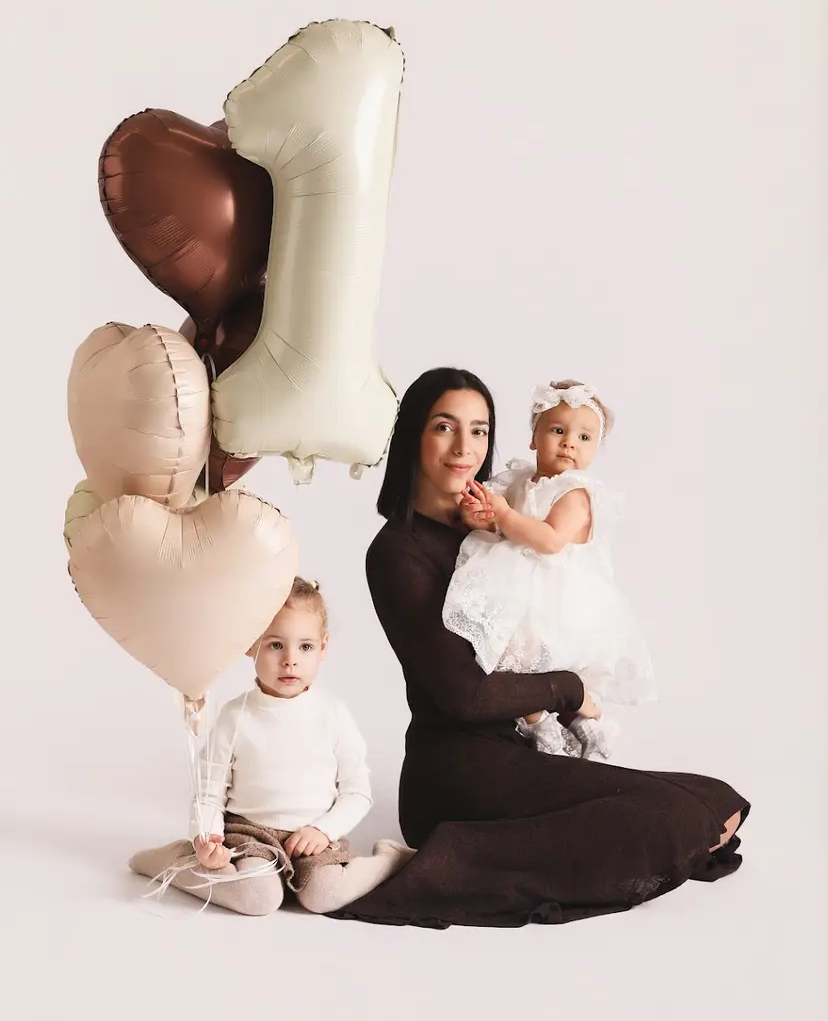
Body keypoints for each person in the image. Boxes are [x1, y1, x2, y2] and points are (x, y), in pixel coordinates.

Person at [333, 367, 748, 929]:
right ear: (413, 436)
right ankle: (446, 860)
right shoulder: (397, 552)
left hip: (525, 747)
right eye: (444, 427)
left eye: (479, 431)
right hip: (457, 768)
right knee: (673, 816)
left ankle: (493, 850)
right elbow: (464, 696)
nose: (464, 448)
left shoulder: (500, 526)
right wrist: (569, 689)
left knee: (716, 800)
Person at [129, 577, 413, 915]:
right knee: (259, 899)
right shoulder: (235, 717)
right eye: (275, 645)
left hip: (312, 839)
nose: (290, 660)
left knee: (324, 895)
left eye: (305, 647)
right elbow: (209, 792)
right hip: (250, 836)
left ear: (323, 648)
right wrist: (206, 838)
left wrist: (323, 830)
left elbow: (357, 792)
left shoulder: (333, 715)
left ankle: (388, 859)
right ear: (251, 645)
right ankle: (173, 861)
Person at [442, 378, 656, 761]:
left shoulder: (575, 493)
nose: (569, 443)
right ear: (533, 438)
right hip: (518, 588)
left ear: (595, 449)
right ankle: (540, 725)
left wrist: (503, 515)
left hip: (556, 599)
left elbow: (551, 540)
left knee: (532, 663)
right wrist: (481, 516)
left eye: (584, 437)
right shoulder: (519, 480)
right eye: (558, 431)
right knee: (506, 661)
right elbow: (497, 523)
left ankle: (589, 723)